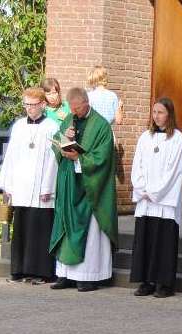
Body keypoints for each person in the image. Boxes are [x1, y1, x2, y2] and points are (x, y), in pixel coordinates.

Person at [49, 87, 118, 292]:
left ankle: (88, 277)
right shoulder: (69, 118)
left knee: (90, 233)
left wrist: (80, 158)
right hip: (70, 185)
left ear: (87, 103)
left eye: (78, 108)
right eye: (72, 108)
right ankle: (64, 275)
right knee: (65, 227)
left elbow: (103, 158)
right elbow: (56, 143)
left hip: (90, 189)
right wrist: (63, 137)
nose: (75, 112)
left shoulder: (101, 126)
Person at [0, 87, 59, 285]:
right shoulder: (19, 126)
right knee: (22, 228)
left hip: (42, 188)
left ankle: (42, 272)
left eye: (33, 105)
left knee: (40, 229)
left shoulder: (52, 127)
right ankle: (19, 269)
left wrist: (49, 186)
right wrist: (7, 184)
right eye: (26, 105)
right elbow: (11, 156)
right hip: (21, 186)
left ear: (42, 104)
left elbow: (55, 160)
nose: (29, 109)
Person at [129, 97, 182, 298]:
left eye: (160, 112)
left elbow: (174, 171)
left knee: (163, 241)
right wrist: (141, 188)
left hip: (165, 201)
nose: (156, 116)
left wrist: (154, 192)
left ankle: (164, 283)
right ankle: (145, 281)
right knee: (145, 239)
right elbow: (137, 164)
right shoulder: (145, 137)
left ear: (169, 114)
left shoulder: (177, 139)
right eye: (154, 112)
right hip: (146, 200)